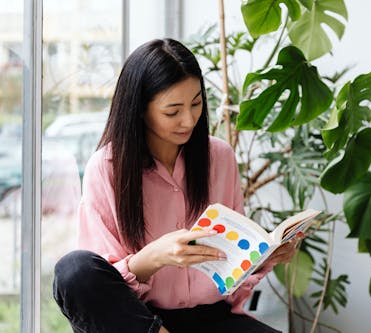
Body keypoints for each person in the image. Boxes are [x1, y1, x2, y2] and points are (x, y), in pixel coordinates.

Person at [52, 38, 300, 333]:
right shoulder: (107, 168)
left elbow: (230, 268)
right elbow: (101, 283)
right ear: (140, 109)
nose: (189, 120)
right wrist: (155, 257)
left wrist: (259, 258)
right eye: (173, 111)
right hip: (139, 320)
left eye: (196, 104)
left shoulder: (219, 157)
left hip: (213, 318)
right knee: (74, 271)